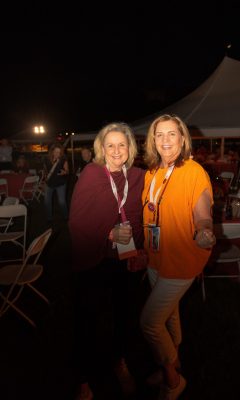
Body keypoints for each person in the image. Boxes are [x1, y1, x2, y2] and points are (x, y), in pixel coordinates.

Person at [140, 114, 216, 400]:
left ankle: (172, 379)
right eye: (159, 135)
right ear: (153, 140)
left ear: (183, 139)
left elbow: (203, 211)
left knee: (149, 322)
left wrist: (204, 229)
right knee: (169, 315)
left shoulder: (193, 171)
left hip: (181, 261)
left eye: (172, 134)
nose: (165, 141)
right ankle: (174, 360)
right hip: (156, 257)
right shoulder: (152, 173)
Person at [69, 122, 145, 400]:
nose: (116, 150)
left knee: (124, 317)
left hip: (122, 257)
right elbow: (76, 220)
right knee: (87, 321)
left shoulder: (136, 176)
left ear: (130, 148)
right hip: (92, 260)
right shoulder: (91, 174)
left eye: (121, 144)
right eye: (110, 145)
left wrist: (138, 249)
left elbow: (135, 216)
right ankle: (83, 379)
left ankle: (119, 361)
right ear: (101, 148)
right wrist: (107, 232)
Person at [43, 143, 69, 223]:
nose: (58, 154)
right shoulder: (46, 159)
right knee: (47, 201)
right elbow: (45, 170)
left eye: (59, 152)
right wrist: (44, 177)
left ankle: (66, 216)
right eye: (56, 152)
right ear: (52, 151)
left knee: (61, 202)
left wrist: (64, 172)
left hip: (60, 183)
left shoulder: (63, 159)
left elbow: (67, 171)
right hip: (49, 184)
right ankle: (49, 218)